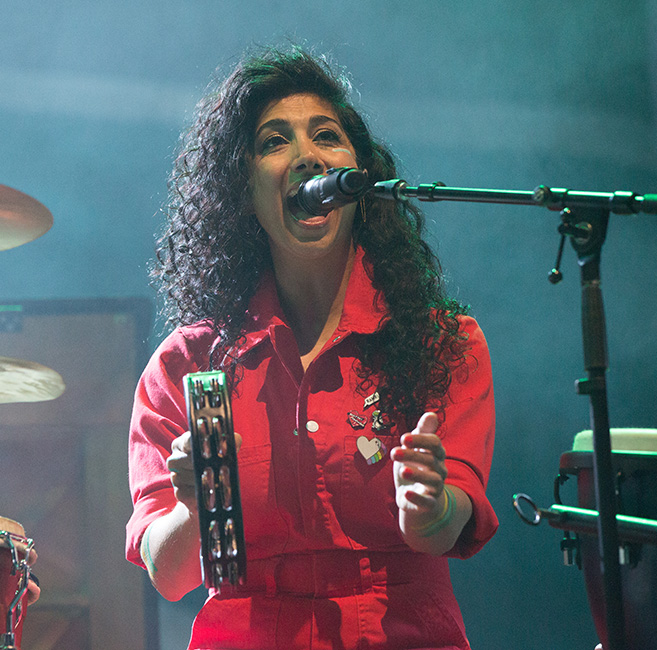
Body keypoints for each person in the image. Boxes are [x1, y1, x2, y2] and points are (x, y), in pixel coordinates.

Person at [125, 45, 497, 650]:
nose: (306, 157)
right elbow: (169, 578)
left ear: (360, 178)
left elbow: (449, 526)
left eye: (325, 136)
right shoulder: (185, 364)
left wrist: (432, 510)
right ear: (241, 194)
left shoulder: (442, 343)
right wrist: (195, 508)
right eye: (274, 142)